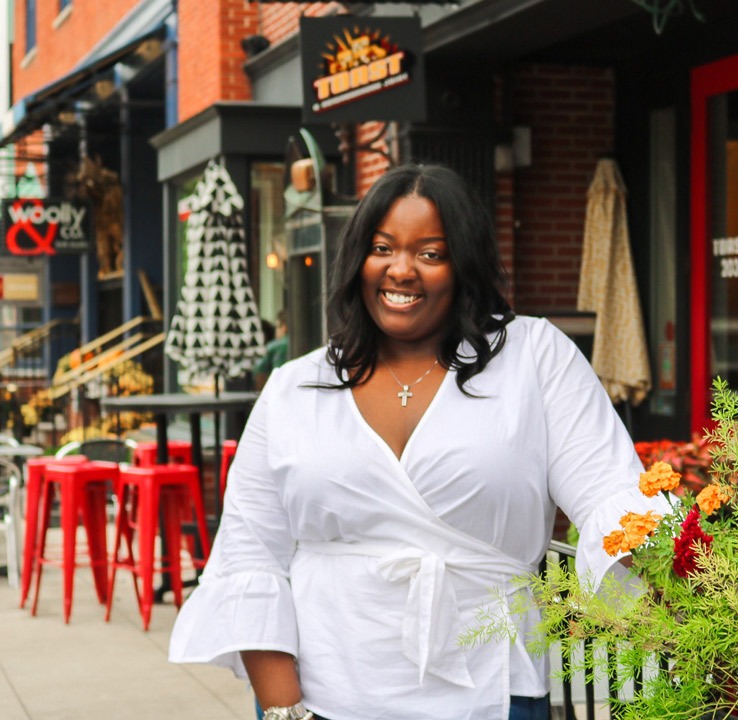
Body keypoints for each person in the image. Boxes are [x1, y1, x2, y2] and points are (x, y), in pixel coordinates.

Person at [169, 164, 664, 720]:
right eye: (383, 247)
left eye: (431, 253)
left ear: (465, 266)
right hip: (322, 699)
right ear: (358, 258)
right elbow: (248, 556)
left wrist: (713, 592)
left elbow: (612, 496)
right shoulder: (295, 388)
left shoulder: (534, 359)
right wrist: (286, 713)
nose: (401, 269)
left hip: (492, 692)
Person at [254, 310, 289, 390]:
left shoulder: (273, 346)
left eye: (277, 327)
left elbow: (259, 371)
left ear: (283, 327)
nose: (275, 331)